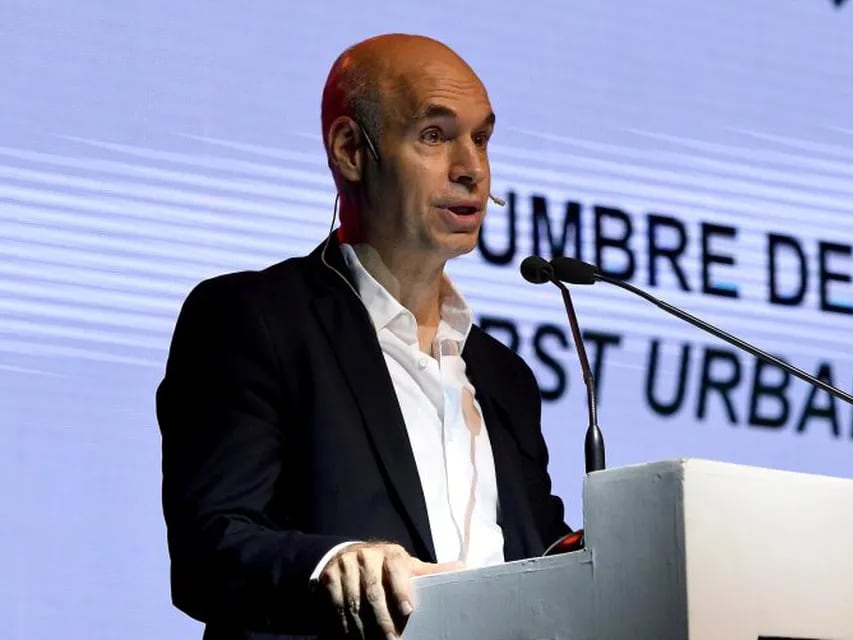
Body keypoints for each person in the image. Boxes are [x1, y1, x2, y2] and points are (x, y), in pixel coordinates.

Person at [158, 33, 569, 640]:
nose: (471, 168)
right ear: (351, 150)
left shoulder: (504, 376)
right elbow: (209, 547)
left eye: (481, 138)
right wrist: (333, 564)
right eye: (435, 135)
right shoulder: (255, 320)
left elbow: (541, 562)